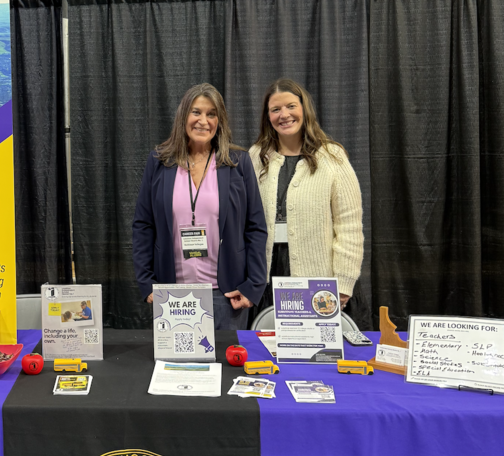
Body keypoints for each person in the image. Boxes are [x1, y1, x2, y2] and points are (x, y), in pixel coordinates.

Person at [133, 83, 267, 330]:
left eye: (211, 114)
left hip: (227, 294)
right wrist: (146, 282)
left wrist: (253, 285)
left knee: (226, 367)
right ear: (183, 116)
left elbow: (256, 227)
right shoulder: (160, 162)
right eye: (196, 112)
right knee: (175, 368)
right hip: (172, 294)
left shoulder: (239, 163)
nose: (203, 121)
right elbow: (143, 225)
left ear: (220, 121)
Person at [249, 78, 363, 313]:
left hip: (318, 281)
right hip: (265, 277)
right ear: (267, 116)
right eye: (276, 109)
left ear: (304, 109)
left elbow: (349, 225)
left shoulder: (333, 156)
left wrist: (343, 282)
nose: (284, 115)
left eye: (291, 106)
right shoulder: (256, 156)